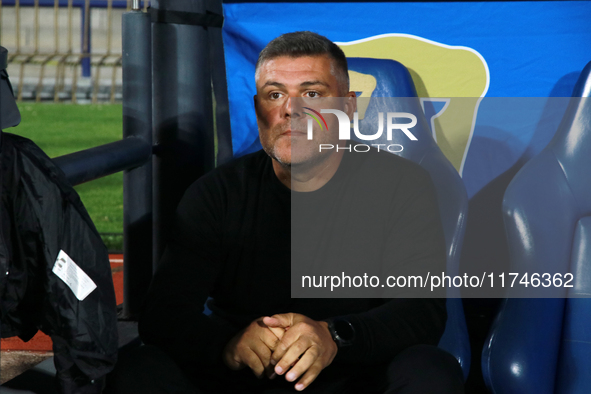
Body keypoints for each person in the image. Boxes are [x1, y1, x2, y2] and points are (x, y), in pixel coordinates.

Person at [108, 31, 464, 394]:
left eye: (312, 93)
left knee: (430, 372)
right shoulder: (217, 192)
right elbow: (165, 313)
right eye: (275, 94)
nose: (291, 110)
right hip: (244, 378)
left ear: (348, 107)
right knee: (140, 370)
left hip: (353, 375)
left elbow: (422, 311)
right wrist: (229, 345)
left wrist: (334, 336)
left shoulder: (401, 185)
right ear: (259, 108)